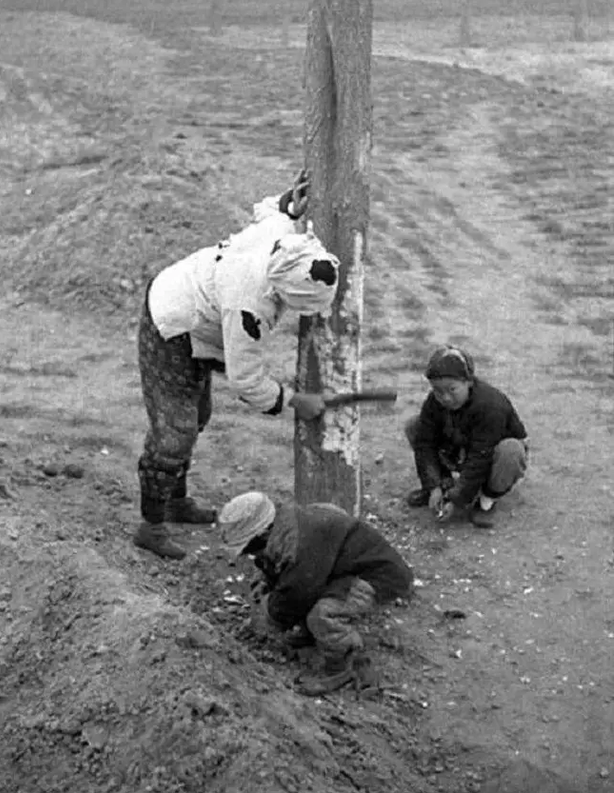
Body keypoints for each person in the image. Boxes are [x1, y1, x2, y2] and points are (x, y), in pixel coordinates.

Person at [135, 171, 340, 560]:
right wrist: (296, 401)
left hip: (198, 313)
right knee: (174, 430)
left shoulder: (285, 239)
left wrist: (288, 203)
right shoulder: (249, 307)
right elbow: (247, 381)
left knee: (196, 415)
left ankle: (176, 502)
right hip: (172, 322)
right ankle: (151, 525)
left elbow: (269, 213)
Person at [218, 492, 414, 696]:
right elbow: (282, 566)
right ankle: (312, 635)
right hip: (341, 567)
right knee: (303, 590)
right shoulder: (284, 525)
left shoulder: (299, 544)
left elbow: (296, 596)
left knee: (322, 615)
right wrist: (265, 578)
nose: (249, 555)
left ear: (263, 535)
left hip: (379, 575)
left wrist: (268, 615)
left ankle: (341, 667)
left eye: (249, 549)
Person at [405, 345, 528, 528]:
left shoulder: (491, 406)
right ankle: (443, 487)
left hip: (491, 456)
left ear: (468, 381)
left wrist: (457, 500)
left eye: (452, 389)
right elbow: (425, 444)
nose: (445, 397)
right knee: (415, 426)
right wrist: (433, 486)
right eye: (438, 391)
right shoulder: (433, 403)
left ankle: (486, 500)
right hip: (463, 447)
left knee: (511, 450)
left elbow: (481, 457)